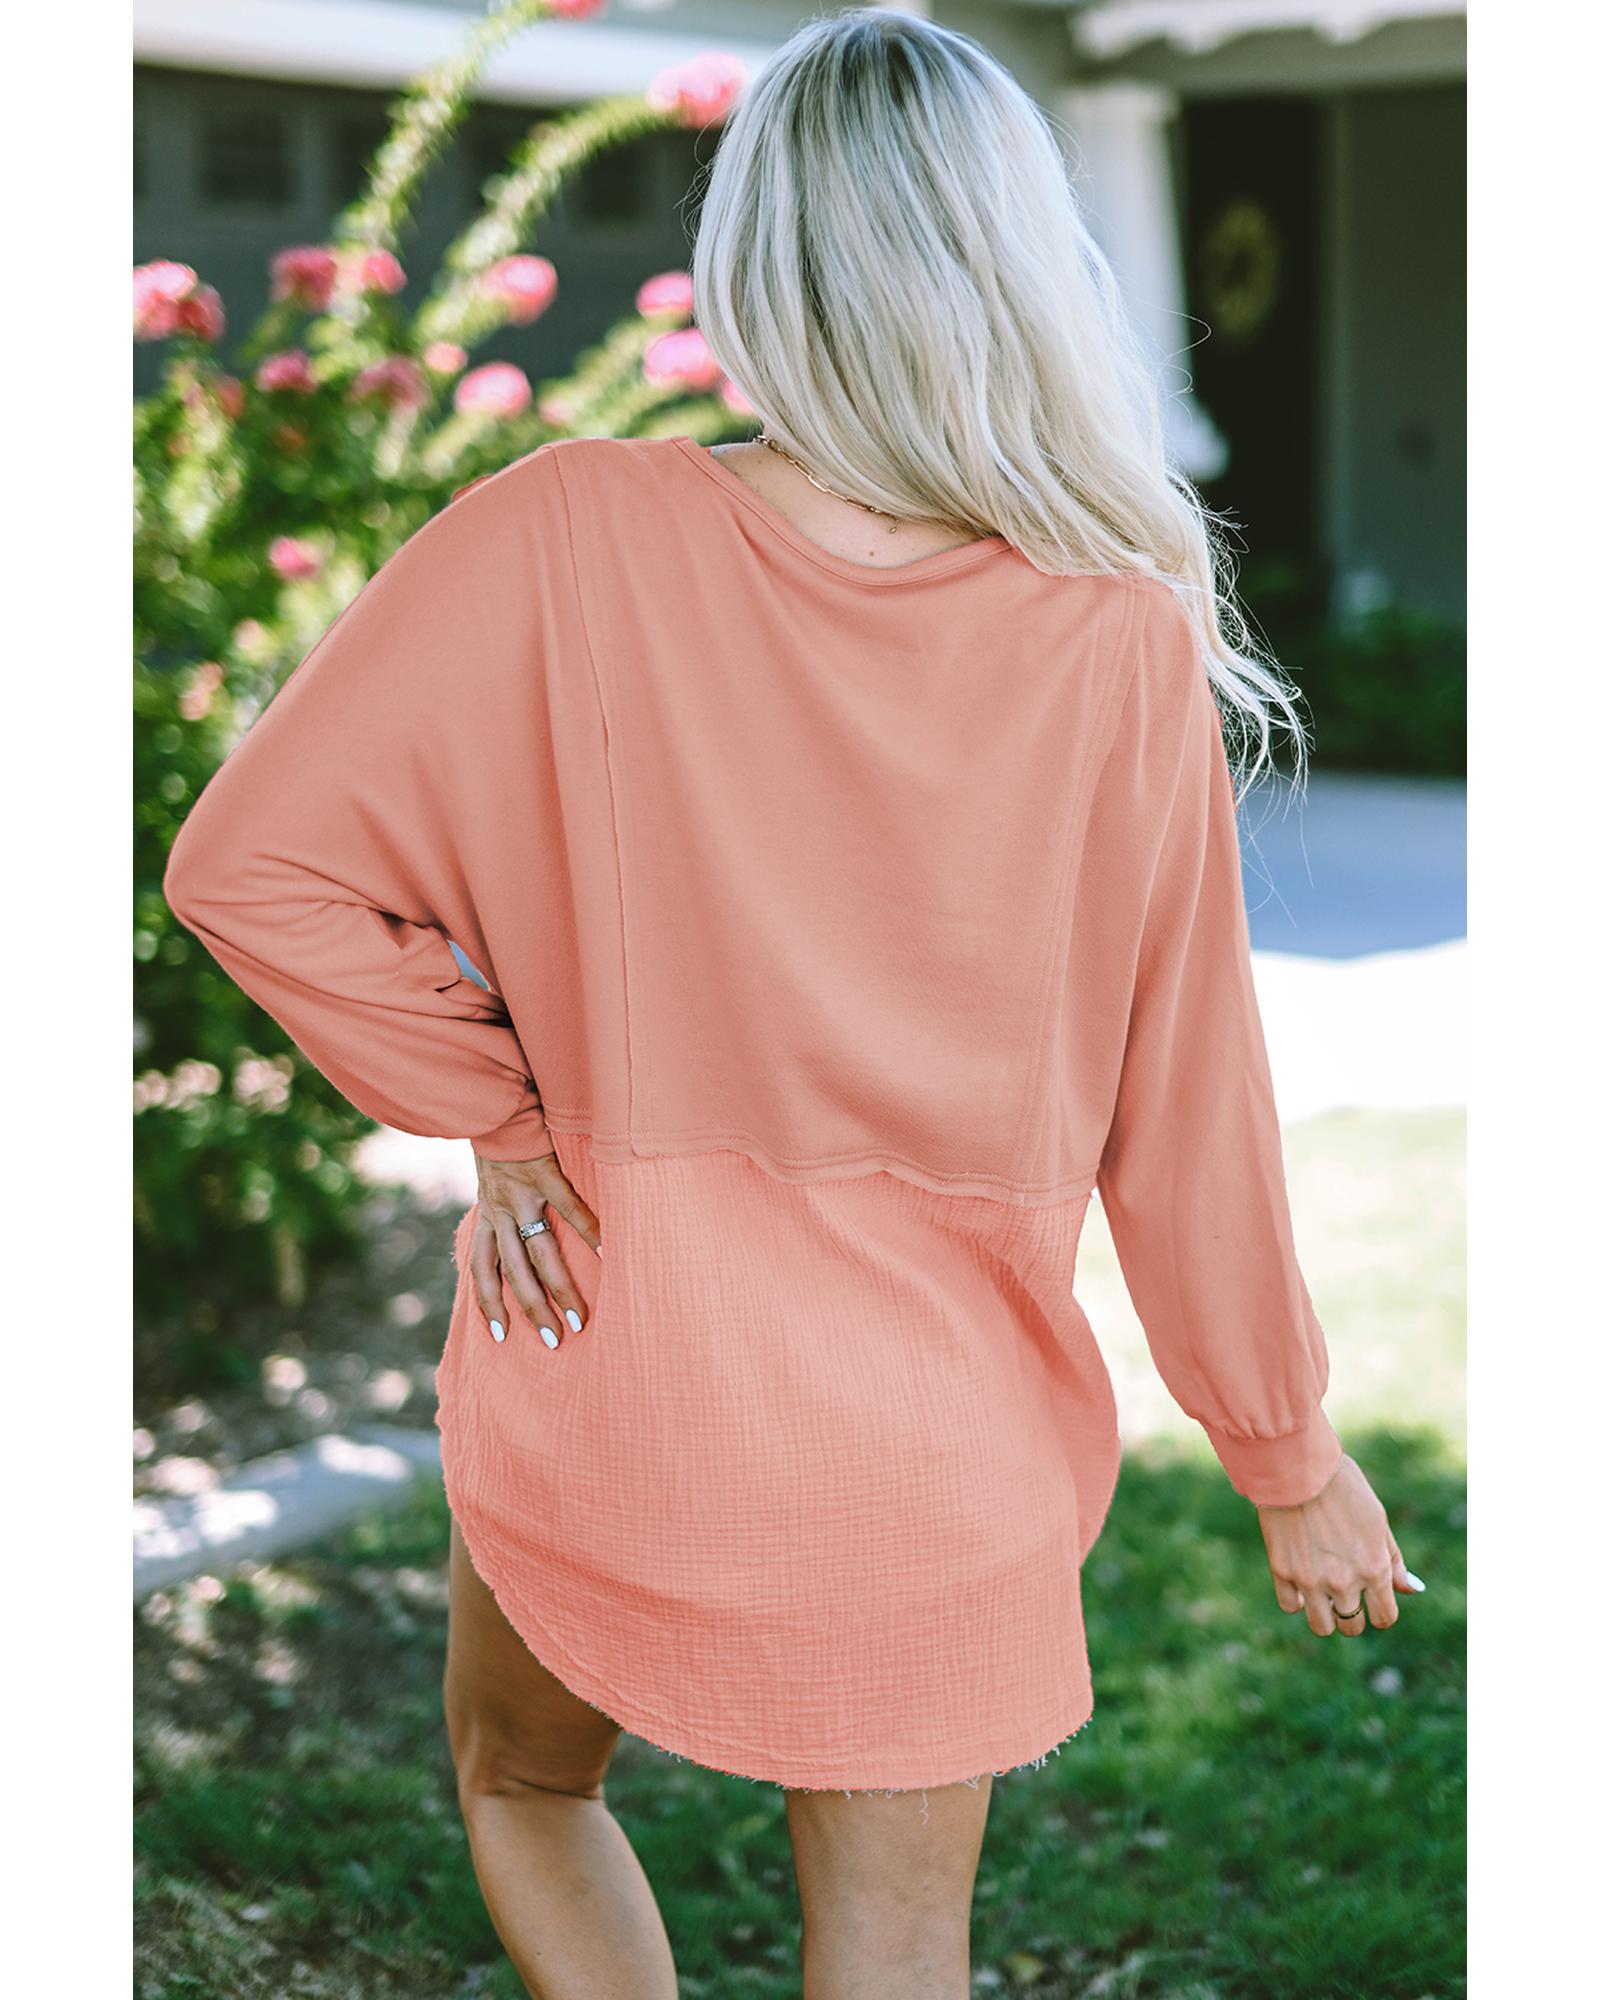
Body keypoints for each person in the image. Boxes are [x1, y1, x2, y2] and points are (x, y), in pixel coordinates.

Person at [162, 9, 1425, 1996]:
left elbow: (247, 870)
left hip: (614, 1358)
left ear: (754, 252)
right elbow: (1186, 1103)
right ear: (1017, 262)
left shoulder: (567, 528)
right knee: (900, 1938)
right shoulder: (1115, 633)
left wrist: (501, 1107)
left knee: (522, 1781)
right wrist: (1281, 1453)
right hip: (935, 1448)